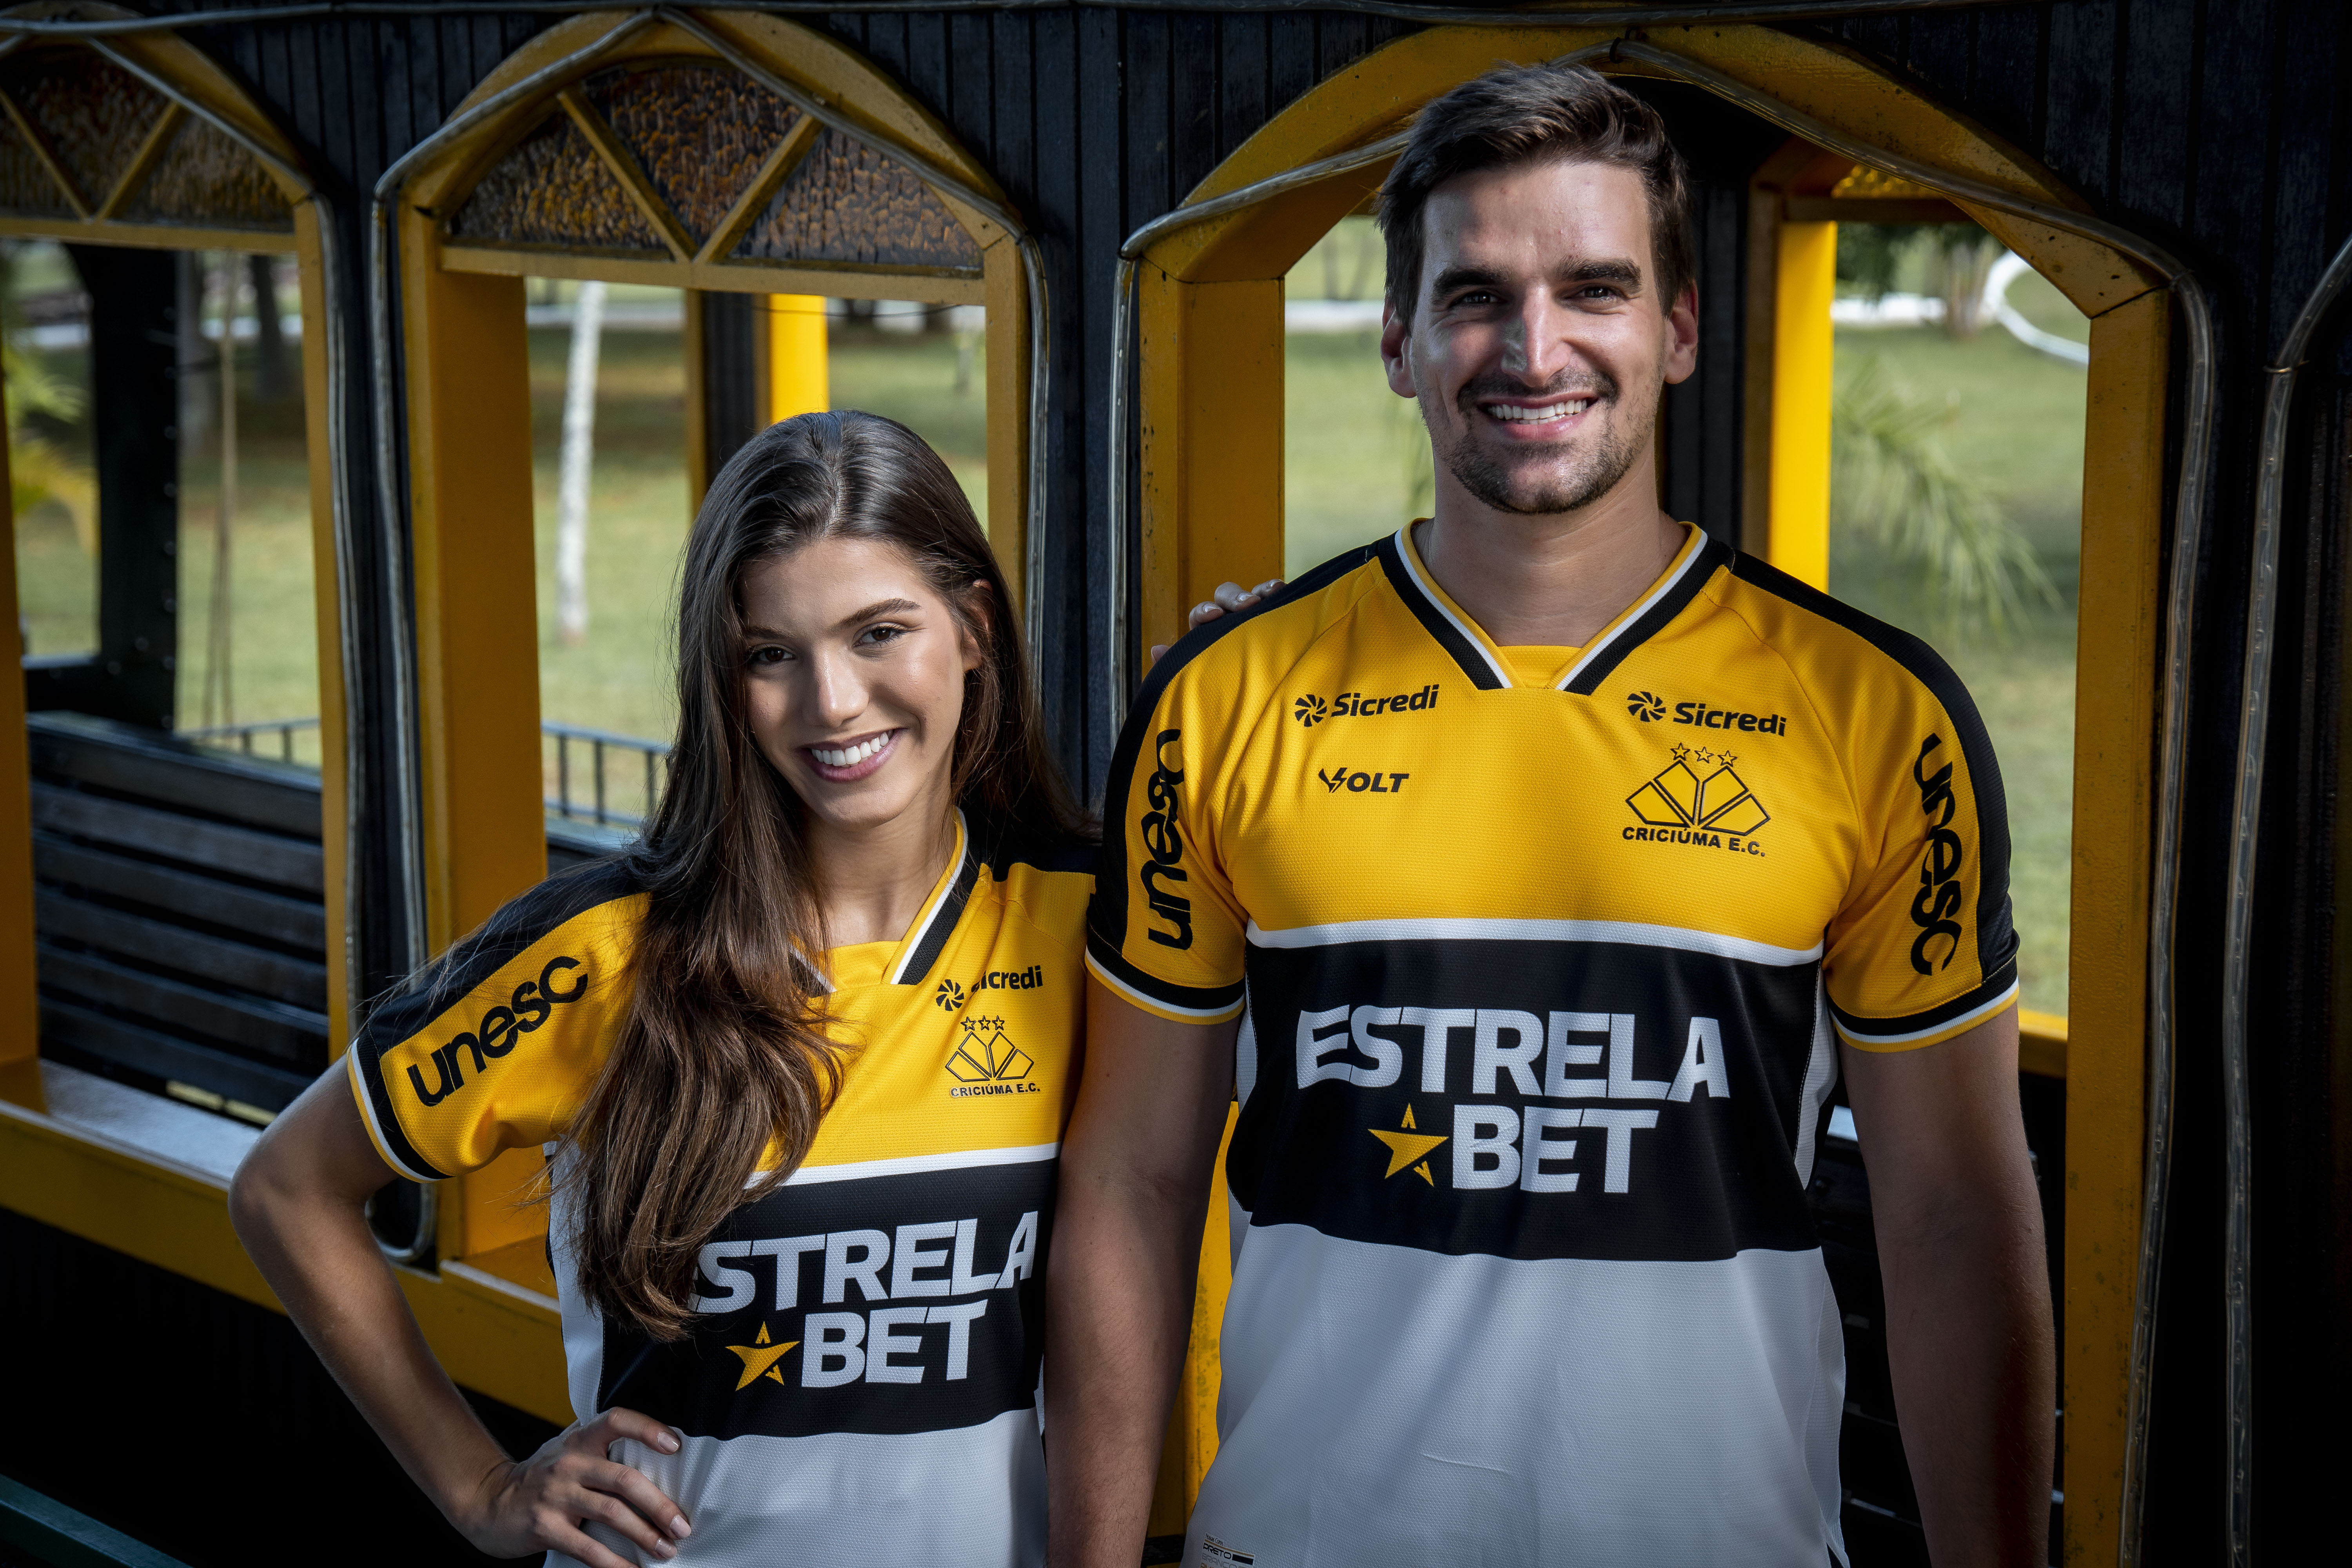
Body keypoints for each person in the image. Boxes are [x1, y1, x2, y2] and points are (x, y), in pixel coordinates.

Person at [1049, 62, 2053, 1568]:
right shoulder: (1224, 701)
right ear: (1399, 341)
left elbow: (1954, 1216)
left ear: (1680, 328)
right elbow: (1132, 1184)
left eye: (1595, 288)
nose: (1535, 348)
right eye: (1475, 295)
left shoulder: (1875, 716)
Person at [232, 412, 1092, 1568]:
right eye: (769, 654)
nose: (834, 701)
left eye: (880, 632)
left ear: (975, 629)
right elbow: (288, 1187)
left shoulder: (1087, 926)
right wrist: (482, 1487)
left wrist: (1250, 658)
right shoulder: (603, 957)